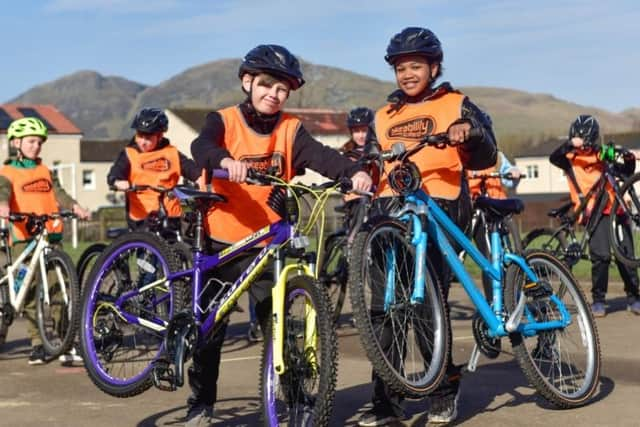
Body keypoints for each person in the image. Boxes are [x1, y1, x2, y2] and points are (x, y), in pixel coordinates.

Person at [187, 44, 372, 426]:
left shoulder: (290, 130)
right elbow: (201, 147)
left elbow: (321, 156)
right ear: (247, 82)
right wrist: (224, 162)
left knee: (280, 326)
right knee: (210, 331)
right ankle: (201, 405)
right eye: (267, 84)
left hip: (266, 245)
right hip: (221, 242)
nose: (273, 94)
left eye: (282, 89)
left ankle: (297, 401)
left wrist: (351, 172)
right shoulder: (222, 120)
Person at [359, 27, 497, 426]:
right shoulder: (383, 116)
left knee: (423, 304)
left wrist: (467, 133)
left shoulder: (457, 103)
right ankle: (385, 401)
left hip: (441, 206)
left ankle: (442, 389)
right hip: (390, 213)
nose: (407, 74)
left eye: (415, 66)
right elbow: (370, 157)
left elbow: (487, 148)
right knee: (384, 308)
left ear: (433, 67)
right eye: (401, 68)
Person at [0, 117, 90, 365]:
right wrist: (3, 205)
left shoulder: (46, 171)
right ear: (17, 143)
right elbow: (3, 190)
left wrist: (75, 206)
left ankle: (63, 340)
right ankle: (38, 343)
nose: (36, 146)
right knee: (27, 291)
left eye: (39, 142)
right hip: (23, 237)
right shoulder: (7, 171)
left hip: (50, 235)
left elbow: (59, 193)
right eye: (31, 141)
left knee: (58, 289)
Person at [550, 114, 640, 317]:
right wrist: (569, 144)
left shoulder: (602, 155)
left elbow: (626, 171)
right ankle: (599, 300)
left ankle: (634, 297)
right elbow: (553, 157)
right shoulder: (568, 159)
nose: (583, 144)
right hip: (593, 214)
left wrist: (627, 156)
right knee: (601, 257)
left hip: (617, 211)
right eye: (578, 138)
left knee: (626, 255)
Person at [107, 107, 204, 231]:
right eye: (140, 136)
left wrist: (200, 178)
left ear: (160, 136)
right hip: (143, 217)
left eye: (148, 138)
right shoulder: (129, 154)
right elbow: (116, 172)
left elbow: (191, 169)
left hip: (171, 216)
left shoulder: (172, 153)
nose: (142, 142)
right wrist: (118, 181)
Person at [467, 150, 522, 300]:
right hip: (474, 211)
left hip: (497, 210)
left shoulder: (497, 156)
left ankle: (509, 296)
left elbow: (508, 176)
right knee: (489, 257)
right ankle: (494, 301)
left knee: (502, 256)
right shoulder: (464, 154)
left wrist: (513, 171)